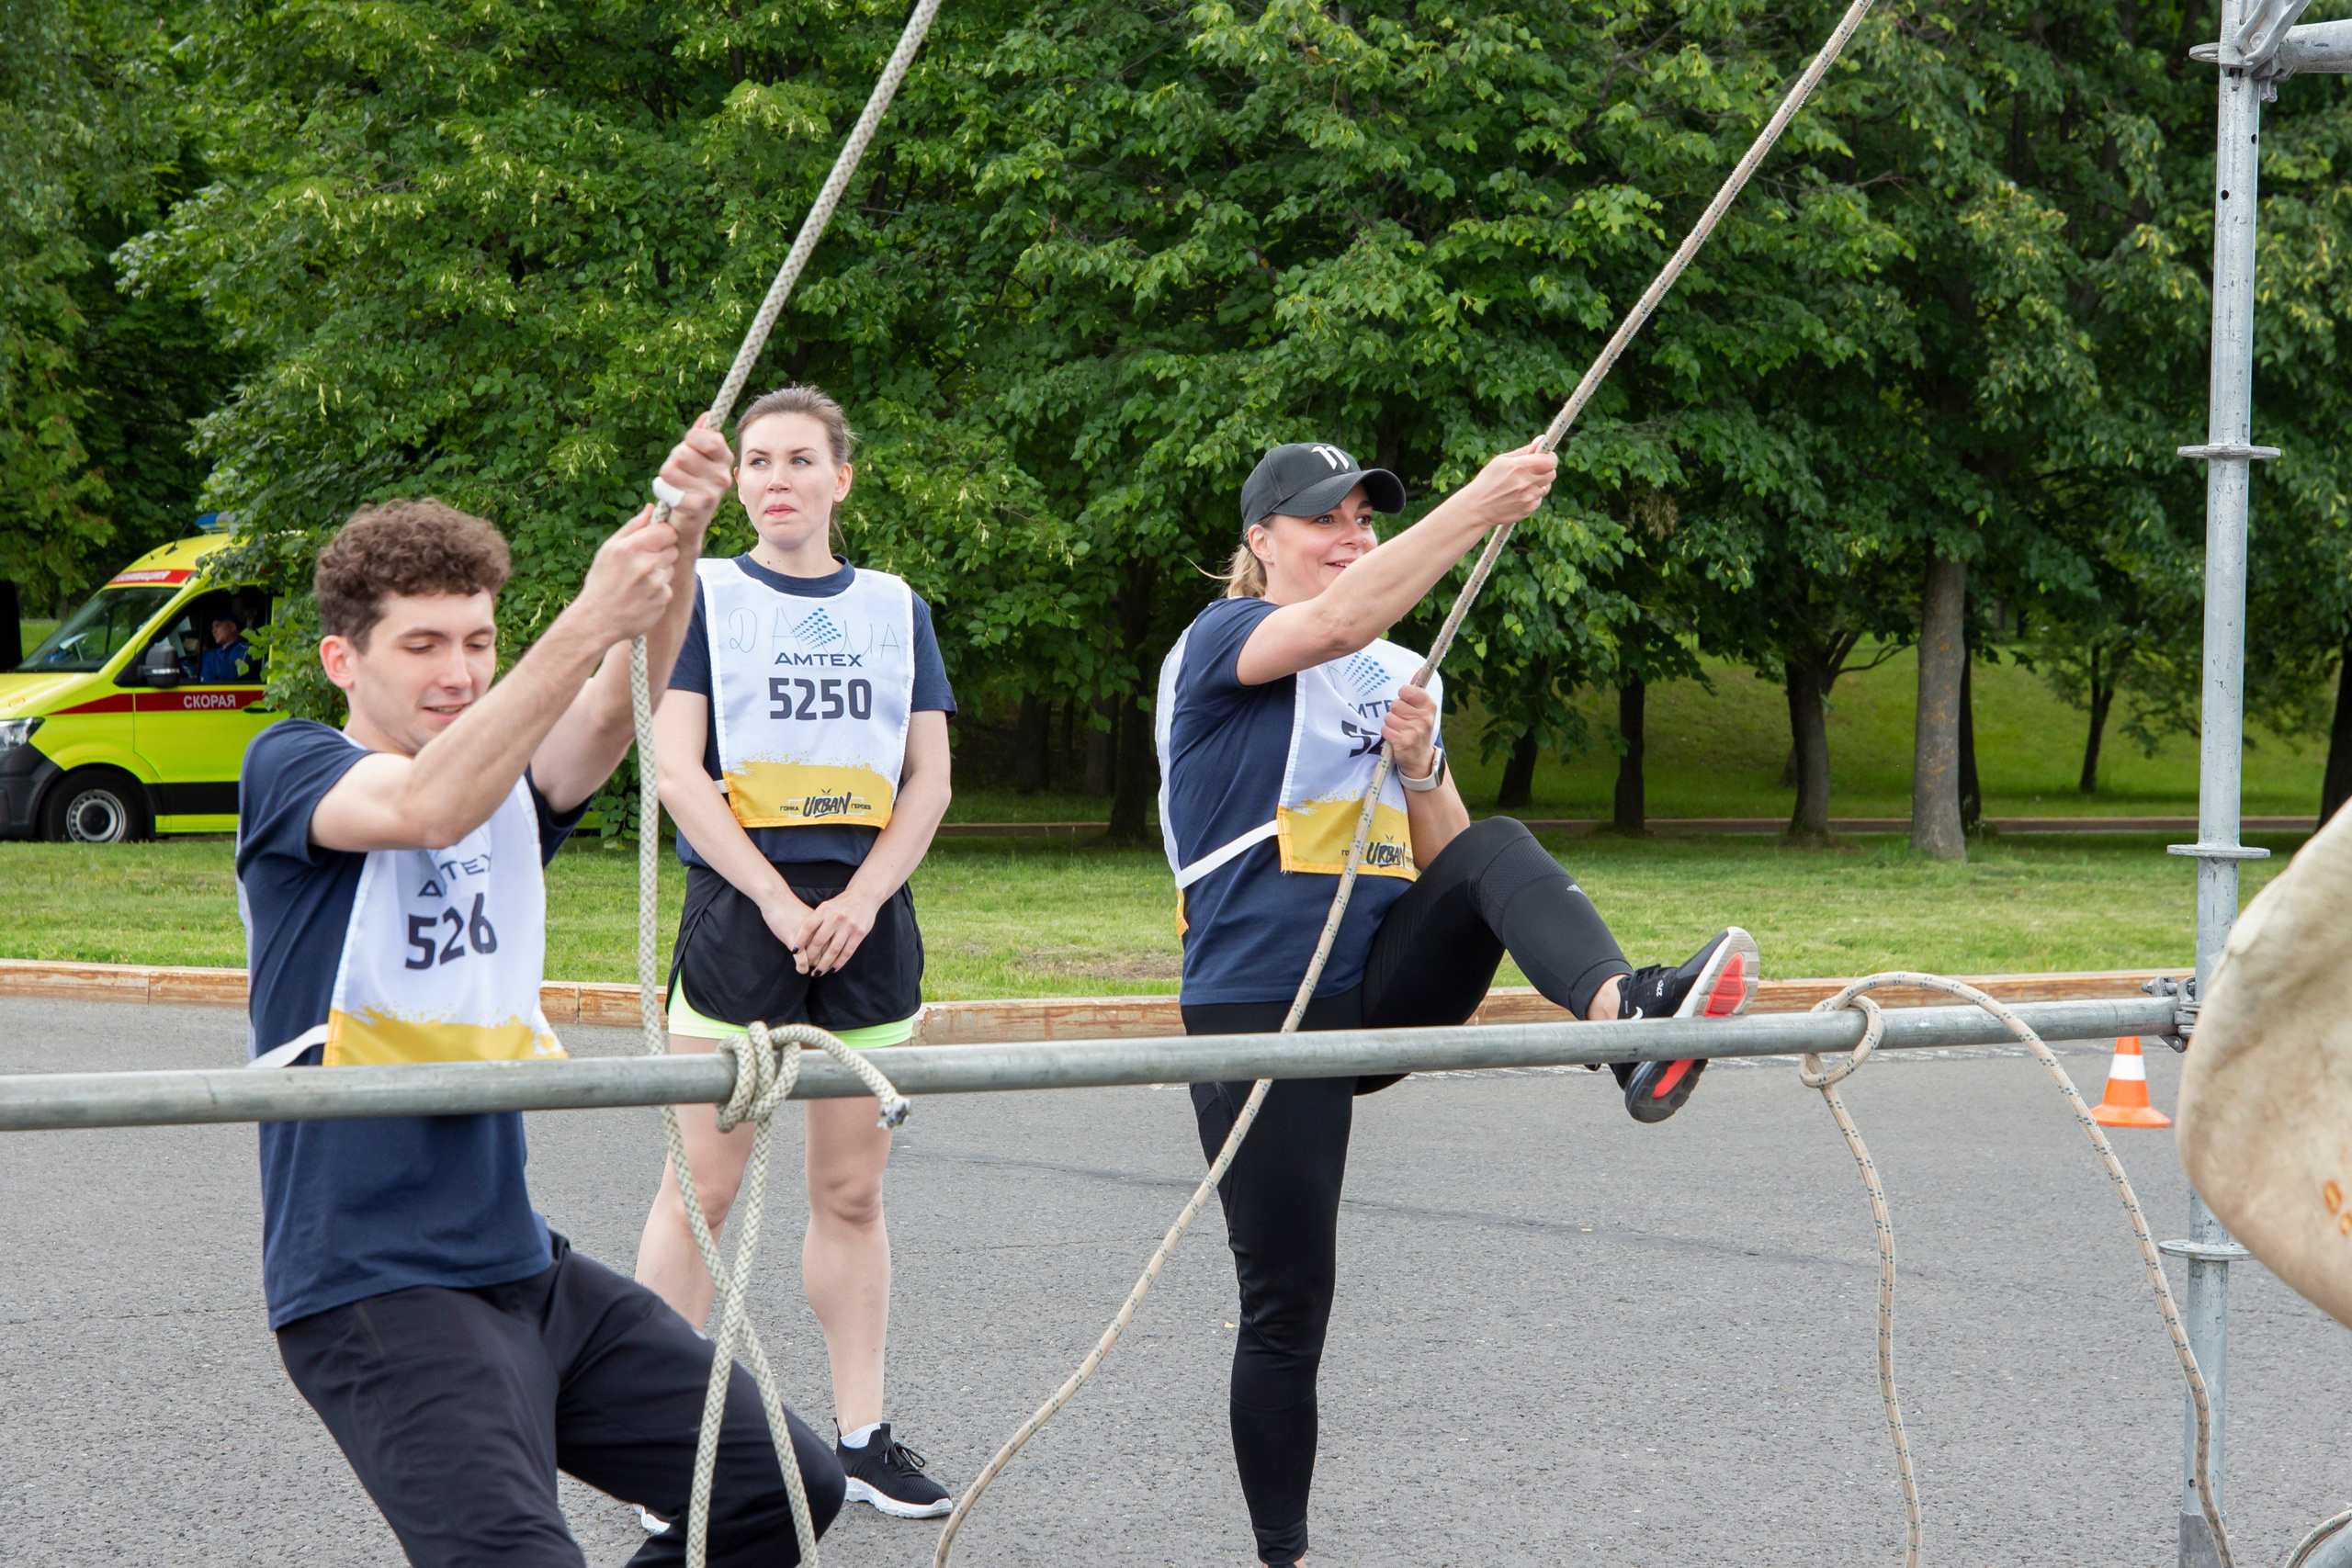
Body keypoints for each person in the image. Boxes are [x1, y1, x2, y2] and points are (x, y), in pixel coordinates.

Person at [235, 423, 849, 1568]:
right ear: (341, 661)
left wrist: (682, 534)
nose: (459, 672)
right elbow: (424, 809)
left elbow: (617, 709)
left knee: (783, 1488)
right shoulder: (293, 767)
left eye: (478, 640)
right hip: (374, 1284)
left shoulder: (502, 791)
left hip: (524, 1266)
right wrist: (586, 618)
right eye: (422, 645)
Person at [1155, 440, 1763, 1568]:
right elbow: (1334, 622)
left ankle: (1630, 1019)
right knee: (1288, 1303)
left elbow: (1450, 859)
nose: (1351, 537)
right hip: (1262, 1008)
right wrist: (1478, 507)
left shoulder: (1399, 671)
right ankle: (1284, 1554)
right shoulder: (1224, 639)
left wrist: (1423, 767)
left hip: (1377, 990)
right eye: (1322, 520)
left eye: (1364, 521)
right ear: (1259, 539)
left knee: (1496, 845)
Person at [633, 384, 957, 1523]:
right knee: (704, 1190)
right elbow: (676, 769)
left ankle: (862, 1442)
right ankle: (655, 1448)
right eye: (759, 460)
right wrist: (774, 901)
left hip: (866, 922)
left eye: (800, 459)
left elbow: (929, 778)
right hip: (743, 913)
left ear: (840, 478)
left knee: (851, 1192)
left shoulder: (894, 606)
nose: (778, 478)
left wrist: (862, 899)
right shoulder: (705, 598)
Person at [200, 613, 255, 682]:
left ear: (232, 627)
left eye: (217, 626)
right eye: (212, 628)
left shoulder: (246, 649)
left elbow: (233, 672)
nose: (213, 631)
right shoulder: (215, 653)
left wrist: (202, 651)